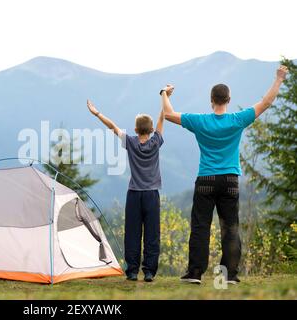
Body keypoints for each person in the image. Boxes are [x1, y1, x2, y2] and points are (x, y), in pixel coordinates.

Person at [161, 65, 289, 284]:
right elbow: (266, 103)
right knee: (230, 227)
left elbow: (169, 114)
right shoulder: (237, 120)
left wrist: (164, 94)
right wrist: (278, 79)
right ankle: (228, 275)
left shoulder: (200, 121)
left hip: (206, 179)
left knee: (201, 226)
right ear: (228, 100)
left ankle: (195, 274)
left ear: (212, 100)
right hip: (230, 179)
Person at [87, 98, 165, 282]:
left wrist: (96, 113)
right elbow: (163, 119)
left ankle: (131, 271)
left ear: (136, 130)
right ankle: (149, 272)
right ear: (152, 130)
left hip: (134, 195)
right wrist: (165, 98)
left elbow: (113, 127)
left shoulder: (130, 142)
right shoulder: (155, 143)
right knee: (152, 234)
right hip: (152, 194)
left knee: (132, 233)